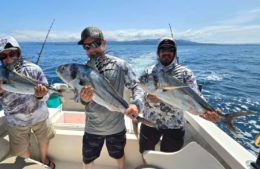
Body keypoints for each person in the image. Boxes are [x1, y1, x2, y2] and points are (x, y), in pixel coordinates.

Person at [138, 38, 220, 163]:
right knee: (145, 154)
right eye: (163, 49)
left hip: (175, 124)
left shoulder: (186, 73)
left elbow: (196, 95)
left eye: (171, 49)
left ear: (175, 52)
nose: (167, 52)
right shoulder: (148, 72)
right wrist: (147, 97)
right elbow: (139, 91)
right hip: (150, 121)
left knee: (170, 159)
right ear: (158, 52)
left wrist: (209, 112)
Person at [0, 36, 55, 169]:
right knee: (20, 152)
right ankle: (28, 166)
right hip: (16, 122)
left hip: (40, 117)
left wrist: (40, 96)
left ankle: (44, 161)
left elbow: (47, 95)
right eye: (3, 56)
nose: (8, 58)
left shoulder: (34, 69)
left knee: (44, 140)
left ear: (18, 52)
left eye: (12, 53)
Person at [77, 26, 144, 169]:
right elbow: (76, 97)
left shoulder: (120, 65)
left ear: (104, 43)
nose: (91, 49)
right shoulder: (81, 70)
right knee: (87, 159)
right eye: (86, 46)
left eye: (95, 44)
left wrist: (136, 104)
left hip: (116, 127)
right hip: (92, 128)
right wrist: (84, 99)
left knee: (118, 155)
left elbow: (136, 87)